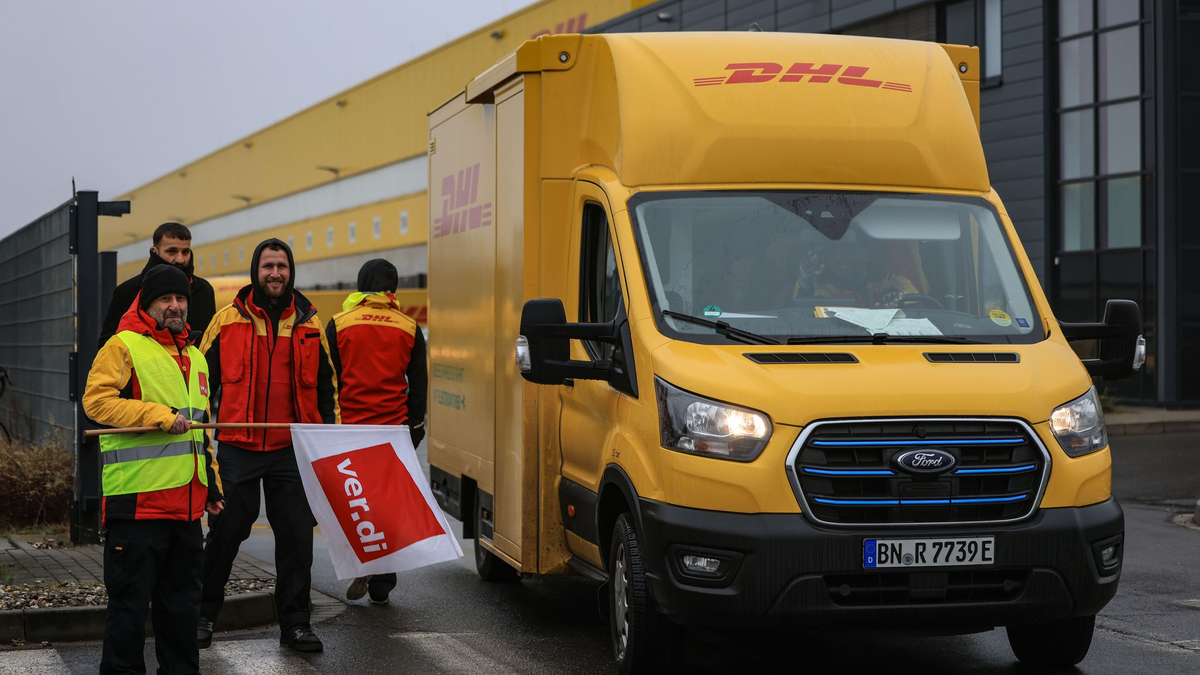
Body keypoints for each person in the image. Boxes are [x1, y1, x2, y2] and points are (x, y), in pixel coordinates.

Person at [196, 238, 339, 653]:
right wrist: (203, 447)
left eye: (281, 266)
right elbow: (199, 387)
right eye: (267, 266)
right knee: (227, 531)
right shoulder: (226, 320)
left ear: (290, 271)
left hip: (292, 449)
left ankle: (296, 624)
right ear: (255, 271)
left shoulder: (310, 323)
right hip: (239, 446)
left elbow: (329, 391)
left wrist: (325, 445)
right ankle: (203, 615)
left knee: (296, 538)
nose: (275, 273)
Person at [83, 265, 224, 675]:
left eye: (180, 299)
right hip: (138, 507)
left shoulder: (196, 356)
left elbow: (201, 431)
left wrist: (211, 485)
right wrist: (158, 414)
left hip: (185, 509)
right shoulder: (123, 345)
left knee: (181, 611)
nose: (175, 306)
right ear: (147, 303)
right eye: (166, 299)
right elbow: (96, 402)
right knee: (128, 612)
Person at [326, 259, 427, 606]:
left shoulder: (338, 324)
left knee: (356, 502)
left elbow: (329, 379)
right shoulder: (409, 327)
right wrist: (415, 429)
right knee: (385, 505)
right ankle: (383, 578)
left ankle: (362, 559)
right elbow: (418, 386)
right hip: (392, 431)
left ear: (359, 287)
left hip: (350, 430)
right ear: (392, 290)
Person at [100, 222, 217, 347]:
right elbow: (108, 345)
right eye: (172, 251)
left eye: (185, 252)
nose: (180, 259)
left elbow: (211, 342)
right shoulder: (128, 291)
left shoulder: (204, 291)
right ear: (154, 251)